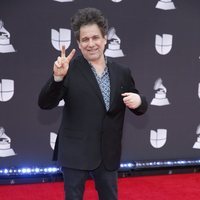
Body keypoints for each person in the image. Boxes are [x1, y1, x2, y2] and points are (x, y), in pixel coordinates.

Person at [38, 7, 148, 200]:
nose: (91, 44)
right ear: (79, 44)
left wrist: (138, 101)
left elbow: (140, 105)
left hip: (108, 152)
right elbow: (45, 103)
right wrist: (57, 78)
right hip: (75, 152)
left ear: (105, 39)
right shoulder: (68, 70)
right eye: (85, 40)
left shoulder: (122, 71)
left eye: (95, 38)